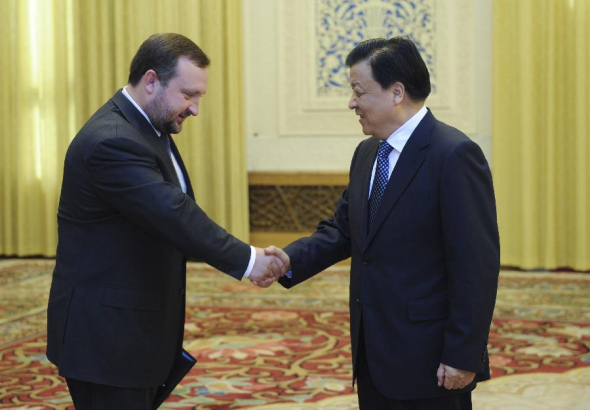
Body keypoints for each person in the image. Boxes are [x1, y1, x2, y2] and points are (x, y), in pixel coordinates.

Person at [46, 33, 287, 409]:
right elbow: (174, 215)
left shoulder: (146, 128)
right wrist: (251, 261)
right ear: (152, 80)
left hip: (131, 331)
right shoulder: (111, 141)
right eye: (189, 95)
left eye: (199, 97)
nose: (194, 109)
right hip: (105, 339)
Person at [270, 36, 500, 409]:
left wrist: (463, 355)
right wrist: (286, 260)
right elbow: (343, 230)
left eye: (358, 91)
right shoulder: (368, 153)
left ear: (396, 92)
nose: (351, 102)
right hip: (373, 352)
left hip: (431, 361)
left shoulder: (453, 154)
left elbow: (476, 266)